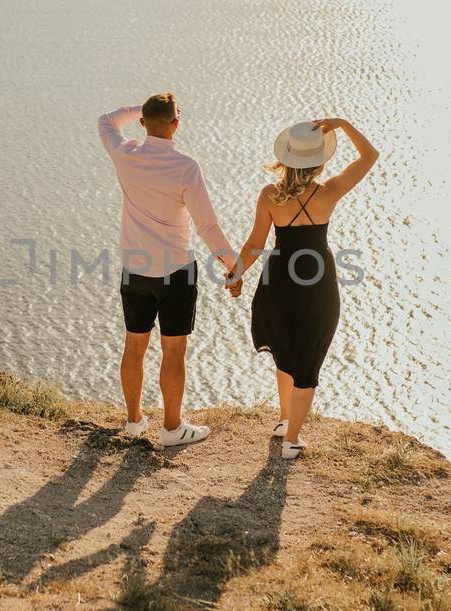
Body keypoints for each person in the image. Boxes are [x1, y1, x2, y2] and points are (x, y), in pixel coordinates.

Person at [226, 118, 378, 460]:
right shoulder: (329, 193)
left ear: (286, 158)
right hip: (317, 284)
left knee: (284, 348)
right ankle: (291, 438)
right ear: (319, 162)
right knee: (307, 359)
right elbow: (369, 156)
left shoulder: (269, 195)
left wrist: (235, 274)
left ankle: (284, 420)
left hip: (279, 281)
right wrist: (343, 125)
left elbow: (254, 245)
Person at [98, 93, 236, 451]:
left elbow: (106, 121)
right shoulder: (186, 167)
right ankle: (172, 428)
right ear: (177, 123)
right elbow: (207, 225)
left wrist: (136, 109)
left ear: (143, 123)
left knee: (134, 345)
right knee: (173, 352)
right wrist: (232, 265)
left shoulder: (125, 154)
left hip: (135, 268)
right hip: (176, 271)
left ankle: (133, 422)